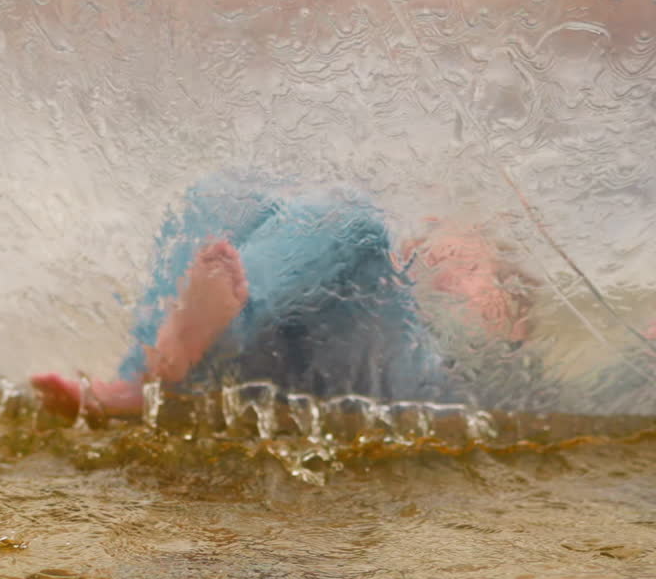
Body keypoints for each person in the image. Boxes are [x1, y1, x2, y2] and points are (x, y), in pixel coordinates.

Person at [32, 174, 530, 421]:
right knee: (231, 190)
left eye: (469, 267)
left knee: (351, 217)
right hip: (285, 368)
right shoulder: (370, 289)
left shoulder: (488, 369)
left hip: (402, 392)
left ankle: (197, 338)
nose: (436, 257)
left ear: (514, 322)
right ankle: (147, 373)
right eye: (424, 249)